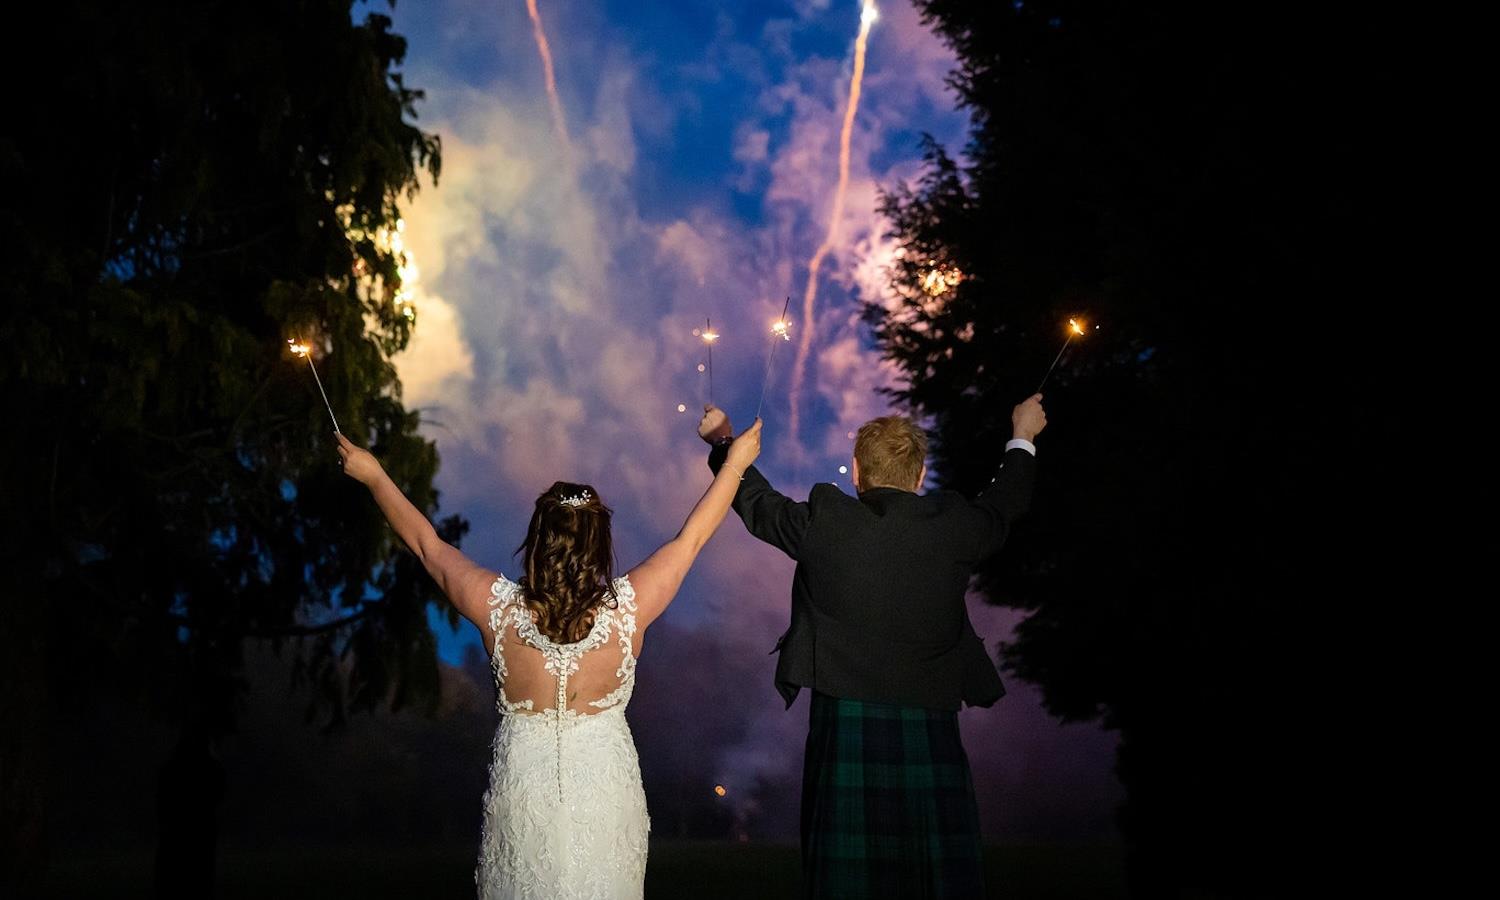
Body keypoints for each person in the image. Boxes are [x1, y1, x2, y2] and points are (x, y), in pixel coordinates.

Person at [336, 418, 762, 899]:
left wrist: (375, 477)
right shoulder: (631, 608)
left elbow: (427, 547)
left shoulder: (493, 606)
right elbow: (693, 539)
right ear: (599, 542)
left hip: (524, 794)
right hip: (604, 795)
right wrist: (735, 463)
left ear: (538, 540)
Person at [698, 395, 1046, 897]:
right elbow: (1005, 502)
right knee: (938, 878)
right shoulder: (955, 525)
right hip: (932, 730)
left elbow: (758, 505)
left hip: (845, 728)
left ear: (856, 471)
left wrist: (724, 444)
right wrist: (1023, 435)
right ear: (920, 473)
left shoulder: (828, 520)